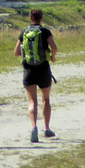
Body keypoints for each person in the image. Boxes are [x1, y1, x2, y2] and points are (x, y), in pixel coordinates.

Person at [14, 8, 58, 143]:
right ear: (41, 18)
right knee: (46, 99)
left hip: (29, 69)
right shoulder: (45, 32)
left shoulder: (24, 33)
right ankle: (47, 128)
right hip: (43, 68)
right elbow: (54, 47)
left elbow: (16, 52)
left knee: (32, 101)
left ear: (30, 18)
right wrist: (52, 56)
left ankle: (34, 127)